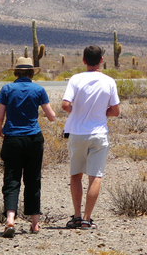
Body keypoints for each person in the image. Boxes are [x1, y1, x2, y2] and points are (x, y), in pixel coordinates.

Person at [61, 45, 120, 230]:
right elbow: (116, 111)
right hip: (99, 133)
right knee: (95, 176)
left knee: (76, 174)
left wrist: (76, 112)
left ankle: (77, 216)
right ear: (102, 60)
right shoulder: (109, 81)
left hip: (77, 133)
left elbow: (64, 104)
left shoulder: (76, 79)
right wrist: (100, 114)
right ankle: (87, 218)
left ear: (84, 60)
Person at [0, 57, 55, 237]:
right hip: (33, 138)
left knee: (11, 179)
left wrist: (0, 131)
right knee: (33, 178)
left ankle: (10, 220)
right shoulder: (39, 89)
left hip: (12, 137)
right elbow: (51, 115)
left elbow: (0, 116)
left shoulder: (7, 89)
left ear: (16, 72)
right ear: (31, 73)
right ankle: (35, 224)